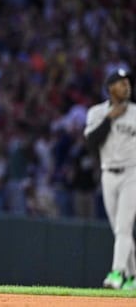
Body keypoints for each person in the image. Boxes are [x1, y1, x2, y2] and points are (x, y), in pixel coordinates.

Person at [84, 68, 136, 291]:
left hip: (132, 174)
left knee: (124, 228)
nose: (126, 86)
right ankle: (132, 278)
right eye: (120, 83)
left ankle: (116, 274)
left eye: (127, 83)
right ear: (109, 89)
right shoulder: (96, 113)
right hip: (108, 175)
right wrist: (108, 119)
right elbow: (90, 142)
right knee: (119, 231)